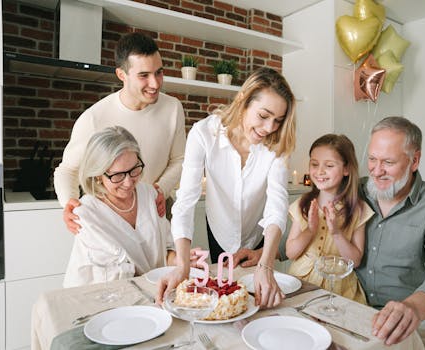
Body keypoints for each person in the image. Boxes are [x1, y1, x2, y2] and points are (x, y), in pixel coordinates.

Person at [157, 67, 296, 308]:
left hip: (258, 234)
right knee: (224, 302)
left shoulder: (278, 143)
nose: (269, 128)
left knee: (256, 303)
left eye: (278, 120)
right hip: (219, 228)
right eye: (263, 116)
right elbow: (185, 202)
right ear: (243, 100)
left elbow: (277, 205)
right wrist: (182, 266)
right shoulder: (203, 133)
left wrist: (266, 264)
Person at [54, 32, 186, 233]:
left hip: (157, 205)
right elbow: (68, 170)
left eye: (159, 72)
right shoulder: (94, 118)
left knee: (167, 262)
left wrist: (160, 190)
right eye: (144, 75)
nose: (155, 83)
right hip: (111, 213)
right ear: (121, 75)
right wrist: (69, 203)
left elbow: (180, 159)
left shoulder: (173, 108)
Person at [356, 116, 425, 349]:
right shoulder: (354, 190)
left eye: (388, 162)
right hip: (352, 304)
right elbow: (312, 223)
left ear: (414, 160)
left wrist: (413, 308)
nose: (377, 171)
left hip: (417, 314)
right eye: (372, 159)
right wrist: (267, 251)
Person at [63, 126, 176, 288]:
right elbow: (115, 276)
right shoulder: (86, 214)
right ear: (98, 175)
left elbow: (166, 249)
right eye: (118, 175)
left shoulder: (149, 194)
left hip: (152, 292)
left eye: (134, 170)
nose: (129, 183)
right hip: (107, 297)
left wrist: (180, 259)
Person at [285, 134, 373, 304]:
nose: (319, 171)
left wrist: (336, 233)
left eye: (329, 165)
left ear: (346, 169)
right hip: (301, 281)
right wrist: (310, 230)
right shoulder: (302, 204)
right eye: (314, 164)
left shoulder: (359, 210)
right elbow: (291, 252)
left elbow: (354, 261)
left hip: (339, 287)